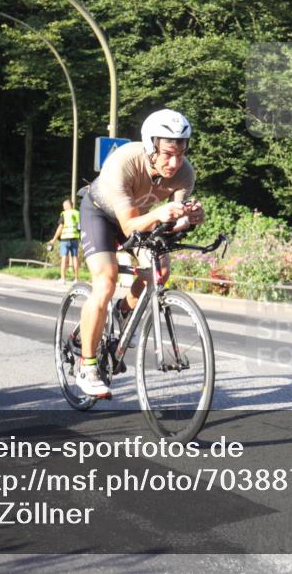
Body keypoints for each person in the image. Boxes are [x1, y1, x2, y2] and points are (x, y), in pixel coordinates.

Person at [75, 109, 205, 397]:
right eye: (168, 154)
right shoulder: (124, 162)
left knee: (160, 272)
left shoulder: (185, 173)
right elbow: (128, 224)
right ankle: (87, 365)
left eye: (181, 153)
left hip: (142, 218)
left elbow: (172, 223)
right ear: (150, 147)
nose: (175, 162)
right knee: (106, 281)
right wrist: (160, 213)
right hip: (101, 214)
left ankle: (123, 313)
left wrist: (190, 218)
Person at [48, 199, 81, 283]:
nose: (63, 207)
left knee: (64, 258)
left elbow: (60, 228)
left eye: (64, 205)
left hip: (65, 239)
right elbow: (80, 227)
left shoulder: (64, 214)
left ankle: (63, 279)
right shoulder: (77, 213)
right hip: (75, 238)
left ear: (67, 205)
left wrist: (54, 239)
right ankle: (76, 279)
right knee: (75, 258)